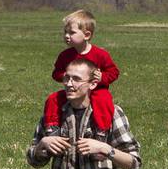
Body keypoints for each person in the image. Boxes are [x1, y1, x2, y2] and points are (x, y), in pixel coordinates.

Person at [42, 10, 120, 140]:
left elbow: (114, 72)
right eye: (65, 32)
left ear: (87, 35)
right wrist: (66, 76)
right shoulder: (65, 55)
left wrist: (102, 78)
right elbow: (56, 73)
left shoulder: (100, 54)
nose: (67, 36)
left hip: (96, 90)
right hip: (73, 91)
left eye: (71, 32)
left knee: (104, 100)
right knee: (53, 99)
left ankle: (102, 130)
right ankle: (52, 128)